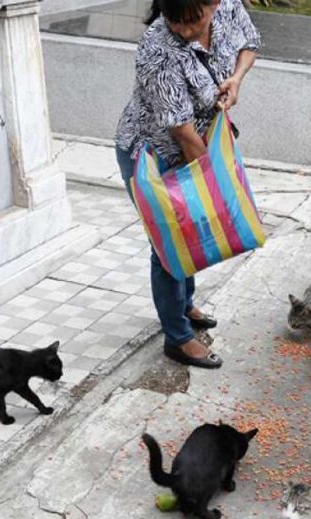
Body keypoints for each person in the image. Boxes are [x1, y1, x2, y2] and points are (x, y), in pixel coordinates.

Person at [115, 0, 260, 369]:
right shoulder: (156, 49)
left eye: (193, 20)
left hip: (200, 141)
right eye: (173, 19)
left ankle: (184, 304)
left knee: (191, 231)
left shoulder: (227, 8)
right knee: (169, 246)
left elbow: (250, 43)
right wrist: (215, 187)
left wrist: (236, 80)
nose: (183, 29)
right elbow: (180, 131)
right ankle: (177, 338)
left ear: (213, 4)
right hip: (154, 153)